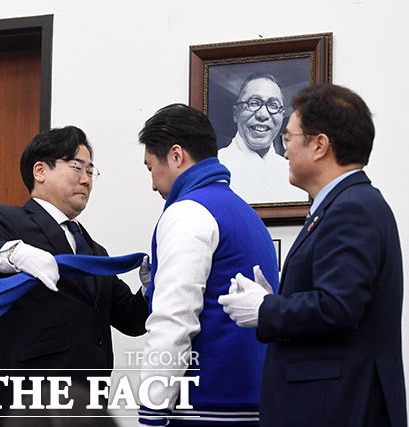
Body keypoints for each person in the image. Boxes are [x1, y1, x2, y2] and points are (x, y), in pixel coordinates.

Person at [218, 84, 407, 427]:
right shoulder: (343, 205)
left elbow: (337, 307)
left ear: (319, 145)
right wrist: (276, 300)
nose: (284, 151)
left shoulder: (351, 209)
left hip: (338, 407)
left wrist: (266, 309)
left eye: (288, 138)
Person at [0, 125, 148, 423]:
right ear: (40, 171)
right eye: (77, 167)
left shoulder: (93, 249)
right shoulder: (8, 221)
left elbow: (132, 320)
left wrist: (150, 288)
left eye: (91, 171)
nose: (86, 179)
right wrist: (13, 253)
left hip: (88, 406)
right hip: (29, 404)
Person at [137, 103, 279, 426]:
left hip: (206, 409)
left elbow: (174, 322)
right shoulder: (246, 214)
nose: (153, 184)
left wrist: (152, 412)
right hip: (255, 406)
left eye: (150, 168)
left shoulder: (188, 212)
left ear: (176, 155)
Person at [218, 73, 307, 204]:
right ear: (236, 113)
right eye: (254, 103)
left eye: (273, 105)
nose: (263, 114)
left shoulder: (296, 174)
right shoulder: (215, 167)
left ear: (282, 116)